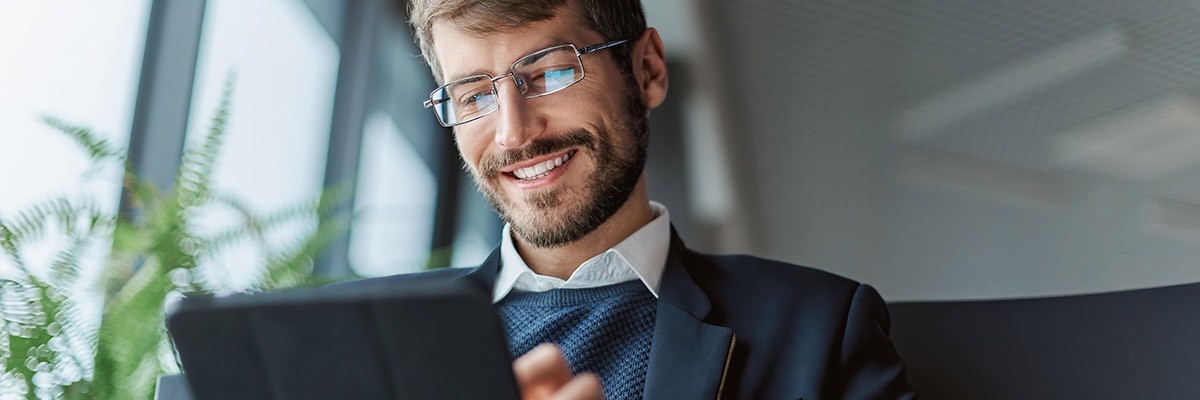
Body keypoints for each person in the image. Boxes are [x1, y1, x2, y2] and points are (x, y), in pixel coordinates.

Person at [358, 0, 917, 398]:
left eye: (550, 71)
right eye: (473, 96)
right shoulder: (361, 341)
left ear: (646, 70)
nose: (513, 133)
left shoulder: (820, 329)